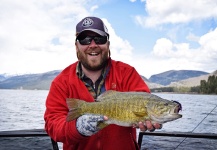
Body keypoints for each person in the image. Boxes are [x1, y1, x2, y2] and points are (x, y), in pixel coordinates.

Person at [44, 16, 162, 150]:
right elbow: (52, 125)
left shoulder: (127, 73)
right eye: (85, 40)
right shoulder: (61, 82)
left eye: (100, 39)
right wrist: (77, 128)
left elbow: (143, 99)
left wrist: (150, 121)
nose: (93, 45)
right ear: (76, 46)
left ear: (108, 44)